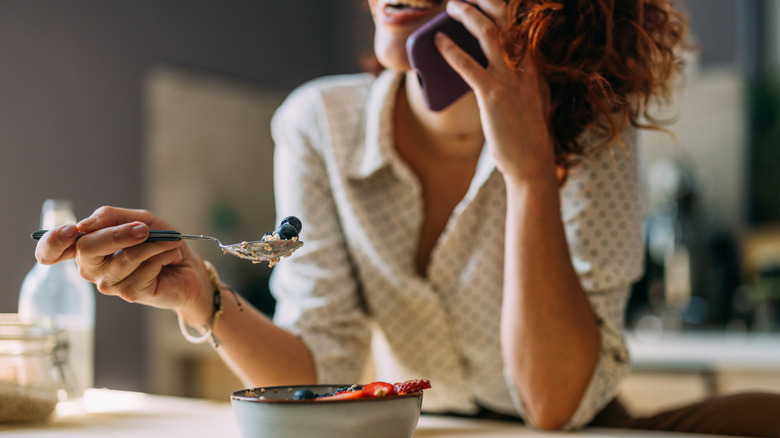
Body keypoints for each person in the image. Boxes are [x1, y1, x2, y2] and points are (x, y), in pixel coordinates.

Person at [34, 0, 780, 436]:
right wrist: (205, 298)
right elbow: (319, 371)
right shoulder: (317, 125)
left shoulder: (590, 135)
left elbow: (552, 406)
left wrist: (528, 173)